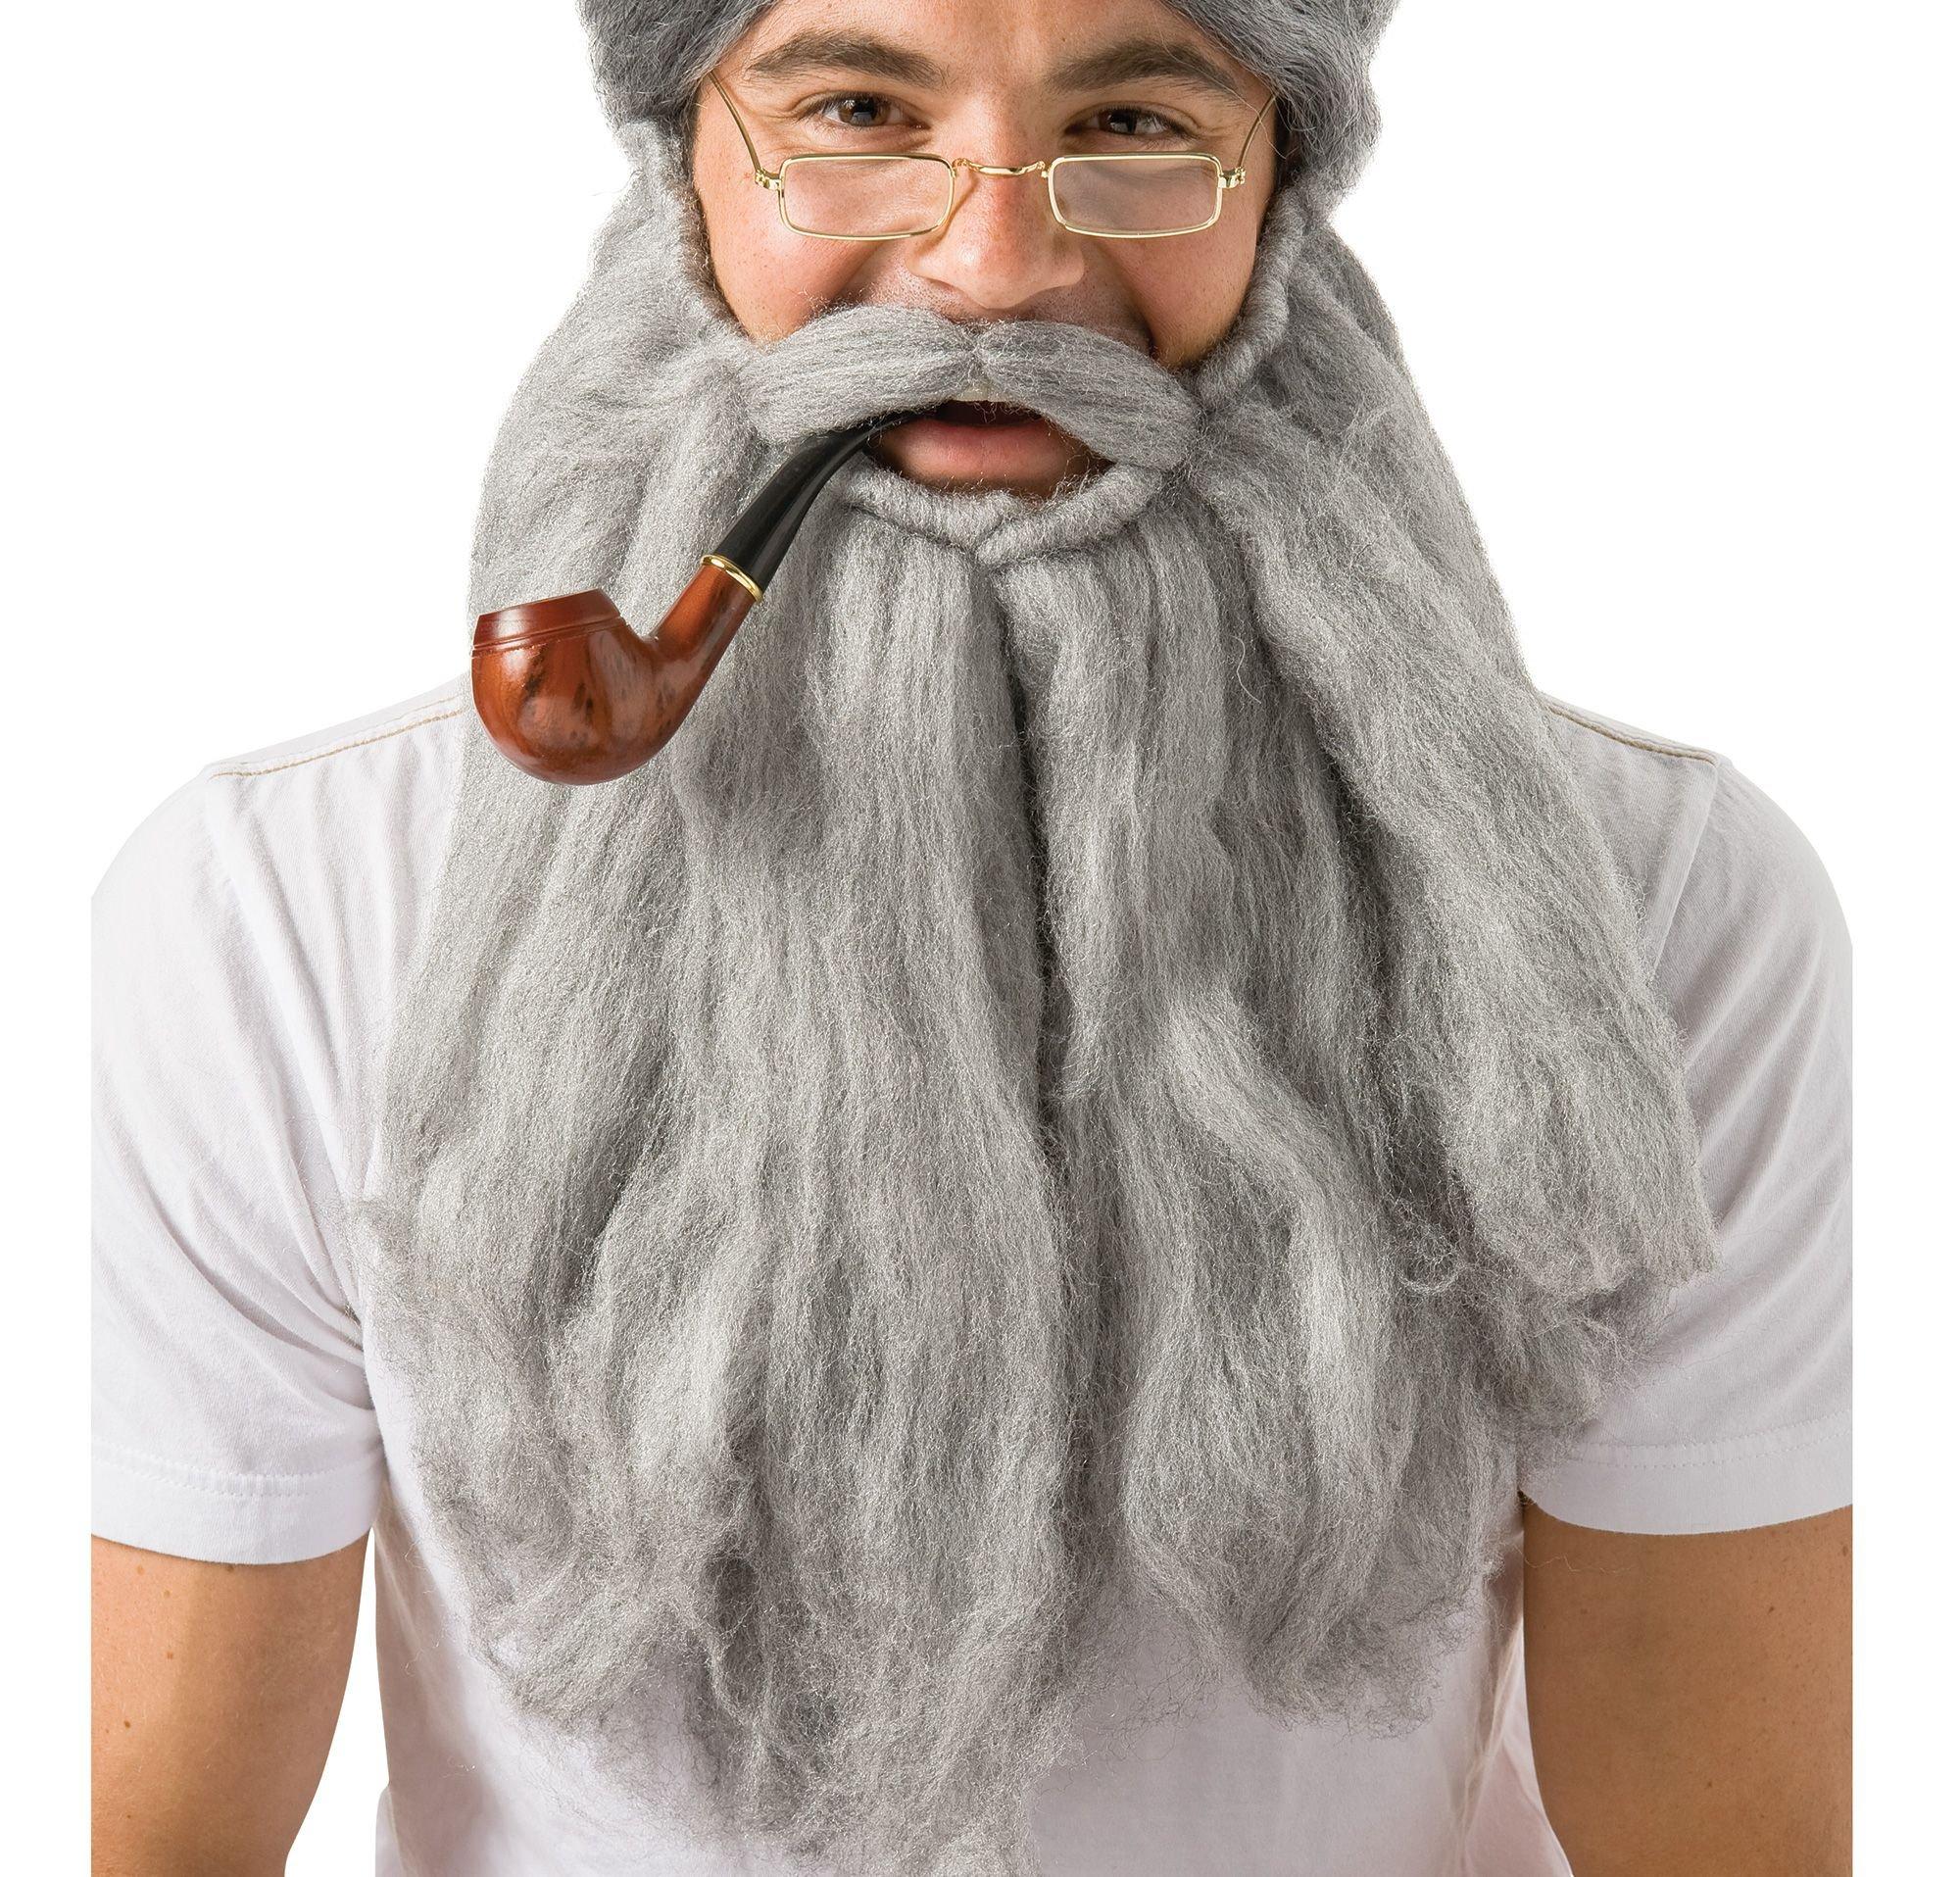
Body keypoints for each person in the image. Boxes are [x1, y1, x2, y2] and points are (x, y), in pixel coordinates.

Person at [90, 1, 1852, 1872]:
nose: (995, 265)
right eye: (858, 108)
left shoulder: (1659, 911)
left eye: (1140, 122)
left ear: (1282, 177)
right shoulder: (272, 916)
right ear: (684, 153)